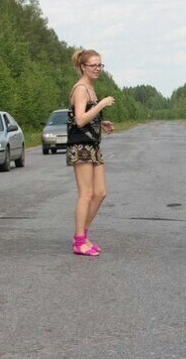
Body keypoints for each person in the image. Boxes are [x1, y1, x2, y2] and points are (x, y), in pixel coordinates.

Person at [67, 49, 115, 256]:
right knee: (86, 194)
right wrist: (102, 104)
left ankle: (83, 235)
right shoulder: (81, 89)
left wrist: (101, 122)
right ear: (82, 67)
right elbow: (79, 119)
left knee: (100, 193)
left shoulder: (90, 88)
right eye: (93, 65)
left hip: (93, 145)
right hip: (81, 147)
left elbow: (86, 118)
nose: (97, 69)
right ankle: (79, 241)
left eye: (100, 65)